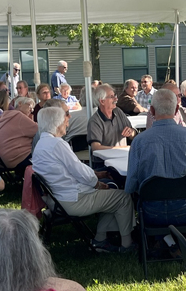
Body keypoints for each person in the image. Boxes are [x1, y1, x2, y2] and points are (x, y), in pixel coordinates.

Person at [34, 107, 135, 253]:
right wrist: (97, 183)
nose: (67, 124)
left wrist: (95, 175)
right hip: (73, 199)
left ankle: (101, 239)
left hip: (59, 198)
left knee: (111, 195)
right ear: (57, 124)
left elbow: (74, 169)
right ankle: (126, 244)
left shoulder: (41, 144)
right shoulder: (58, 144)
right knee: (123, 197)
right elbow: (79, 171)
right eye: (65, 120)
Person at [125, 89, 186, 225]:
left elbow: (131, 184)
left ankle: (159, 241)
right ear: (176, 110)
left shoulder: (139, 141)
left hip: (152, 211)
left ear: (152, 111)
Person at [86, 84, 136, 169]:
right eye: (112, 97)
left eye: (115, 96)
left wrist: (131, 132)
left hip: (123, 159)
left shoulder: (118, 111)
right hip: (105, 164)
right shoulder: (94, 121)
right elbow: (96, 147)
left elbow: (134, 133)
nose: (116, 99)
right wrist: (122, 148)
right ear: (102, 101)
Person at [0, 96, 38, 177]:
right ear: (20, 104)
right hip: (10, 159)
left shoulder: (6, 114)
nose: (31, 110)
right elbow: (38, 130)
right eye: (30, 106)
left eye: (33, 108)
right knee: (42, 154)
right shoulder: (18, 116)